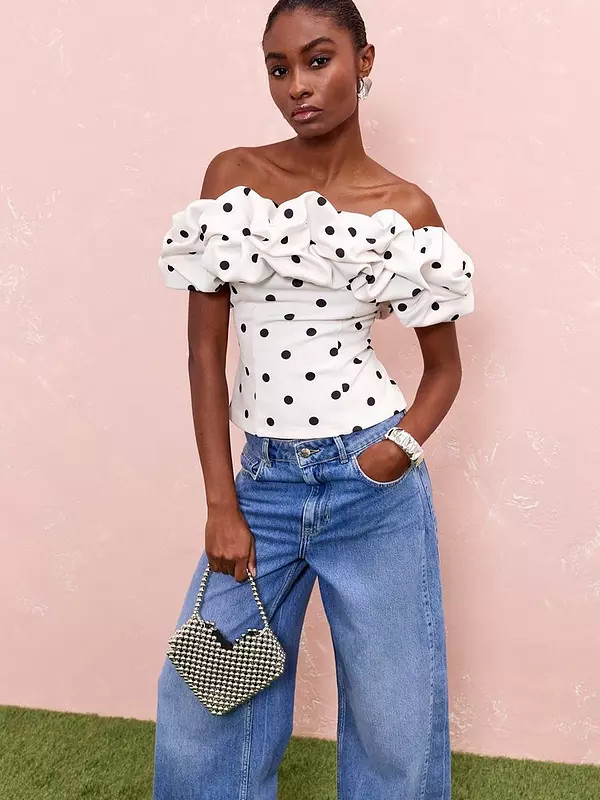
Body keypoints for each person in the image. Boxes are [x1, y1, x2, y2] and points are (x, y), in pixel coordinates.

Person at [152, 1, 475, 798]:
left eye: (318, 60)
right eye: (279, 67)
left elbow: (444, 370)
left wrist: (393, 453)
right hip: (261, 487)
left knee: (395, 720)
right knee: (206, 699)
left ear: (364, 62)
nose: (296, 84)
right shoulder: (233, 181)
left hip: (372, 490)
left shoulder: (405, 211)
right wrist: (221, 501)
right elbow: (203, 354)